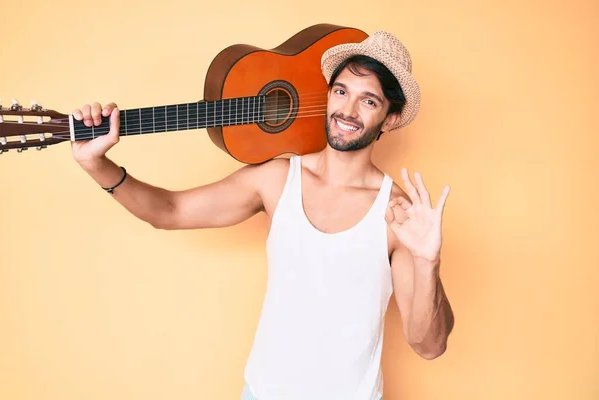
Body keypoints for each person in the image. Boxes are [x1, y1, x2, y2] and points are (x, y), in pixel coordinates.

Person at [71, 30, 454, 400]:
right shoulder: (275, 180)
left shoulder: (399, 215)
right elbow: (169, 211)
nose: (347, 111)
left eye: (368, 101)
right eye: (341, 91)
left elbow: (428, 344)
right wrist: (96, 164)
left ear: (390, 118)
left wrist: (427, 262)